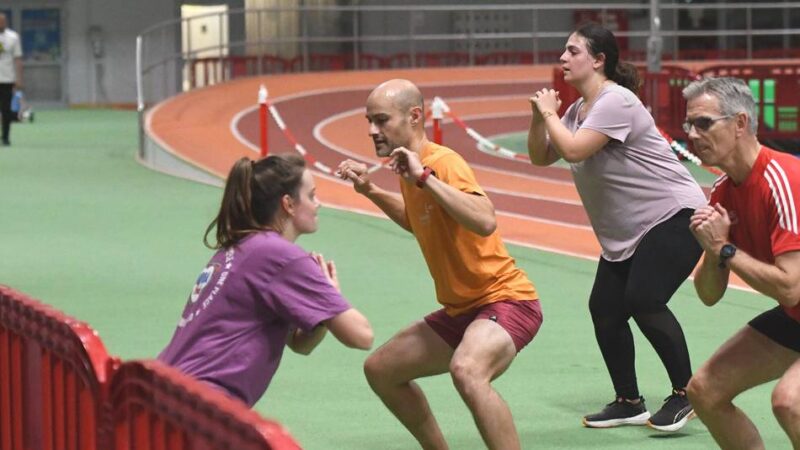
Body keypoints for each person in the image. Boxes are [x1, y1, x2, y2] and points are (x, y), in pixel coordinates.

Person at [337, 79, 543, 450]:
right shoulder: (408, 166)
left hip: (507, 300)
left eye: (381, 120)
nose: (372, 130)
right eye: (369, 120)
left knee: (467, 371)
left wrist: (425, 178)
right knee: (381, 369)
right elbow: (418, 219)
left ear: (414, 116)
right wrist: (371, 190)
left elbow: (484, 220)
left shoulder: (441, 163)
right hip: (463, 311)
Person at [526, 22, 706, 432]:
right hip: (631, 232)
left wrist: (551, 114)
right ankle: (628, 401)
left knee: (644, 298)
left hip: (674, 216)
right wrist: (541, 117)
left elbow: (572, 148)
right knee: (605, 309)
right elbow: (541, 157)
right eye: (564, 51)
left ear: (599, 60)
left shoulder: (616, 101)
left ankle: (686, 393)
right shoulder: (575, 111)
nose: (563, 58)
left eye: (573, 51)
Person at [158, 154, 374, 408]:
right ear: (289, 205)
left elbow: (299, 343)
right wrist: (331, 297)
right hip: (199, 405)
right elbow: (362, 336)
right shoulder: (280, 256)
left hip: (166, 392)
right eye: (312, 196)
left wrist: (325, 312)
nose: (318, 204)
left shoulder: (245, 247)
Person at [684, 77, 800, 449]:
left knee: (790, 402)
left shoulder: (784, 180)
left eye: (703, 123)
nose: (692, 134)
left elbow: (790, 286)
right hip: (795, 316)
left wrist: (726, 249)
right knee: (704, 391)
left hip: (794, 298)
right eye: (689, 125)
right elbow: (708, 295)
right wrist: (713, 250)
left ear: (739, 124)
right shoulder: (721, 192)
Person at [0, 12, 22, 146]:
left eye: (2, 21)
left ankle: (5, 137)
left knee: (6, 110)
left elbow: (18, 59)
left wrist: (19, 79)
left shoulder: (13, 37)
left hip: (7, 79)